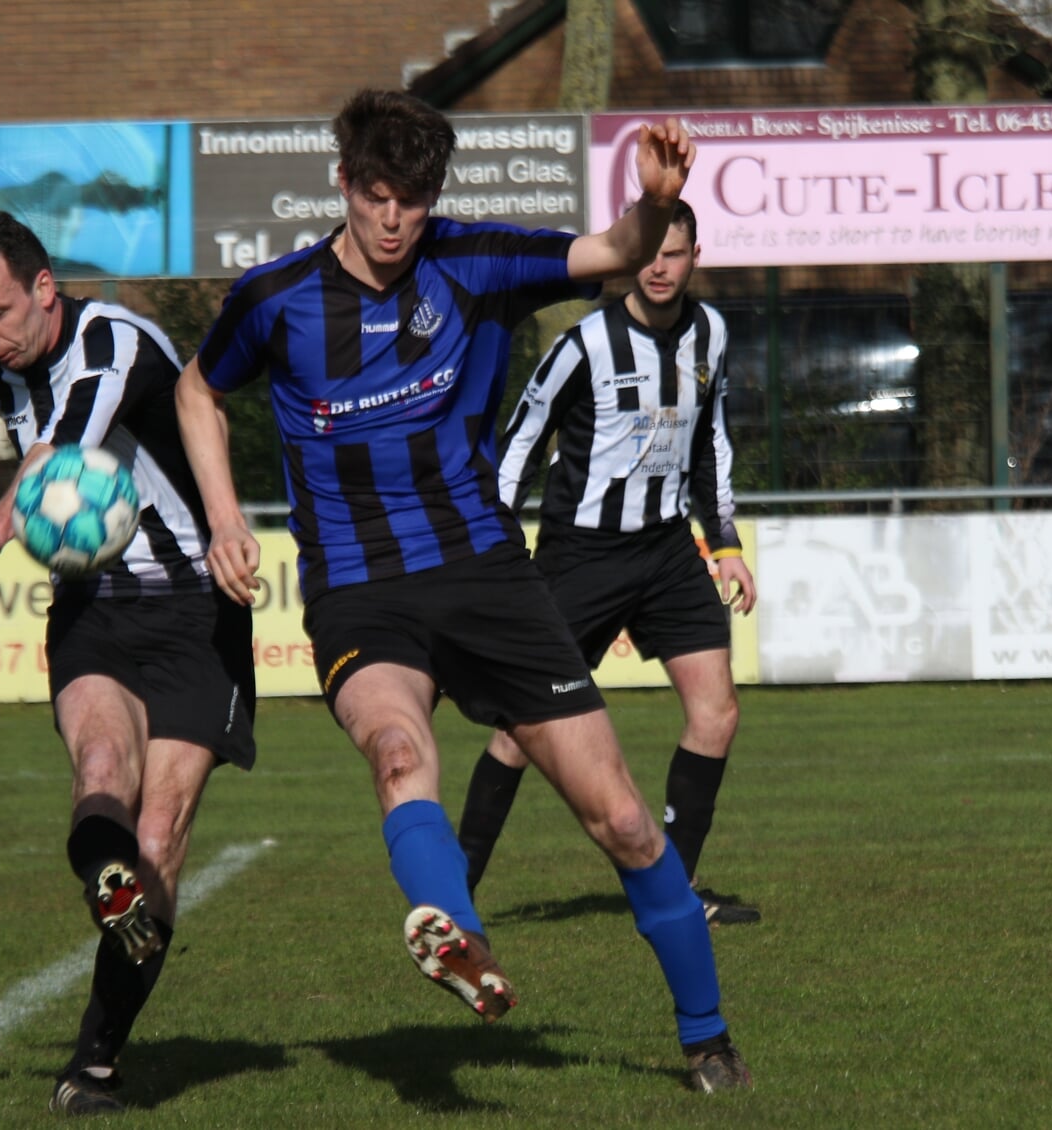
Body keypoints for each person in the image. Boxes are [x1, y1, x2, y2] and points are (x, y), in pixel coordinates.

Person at [175, 89, 751, 1093]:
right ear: (342, 183)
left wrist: (656, 203)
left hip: (487, 574)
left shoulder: (473, 259)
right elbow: (197, 388)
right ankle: (460, 935)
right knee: (399, 750)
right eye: (379, 195)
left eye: (415, 199)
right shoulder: (276, 299)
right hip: (359, 589)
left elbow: (612, 250)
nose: (395, 220)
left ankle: (706, 1037)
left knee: (620, 816)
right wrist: (226, 519)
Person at [0, 211, 257, 1116]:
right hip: (95, 604)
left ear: (43, 288)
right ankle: (107, 885)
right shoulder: (1, 374)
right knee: (101, 769)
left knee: (161, 841)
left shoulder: (117, 338)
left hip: (195, 609)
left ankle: (96, 1059)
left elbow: (59, 458)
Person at [457, 199, 761, 927]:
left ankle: (674, 893)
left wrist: (724, 543)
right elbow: (519, 447)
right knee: (521, 730)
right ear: (629, 258)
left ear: (695, 258)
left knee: (716, 713)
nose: (659, 266)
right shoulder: (583, 344)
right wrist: (490, 547)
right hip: (581, 555)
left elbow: (710, 444)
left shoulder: (712, 334)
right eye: (648, 251)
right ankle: (453, 894)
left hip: (665, 551)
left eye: (675, 253)